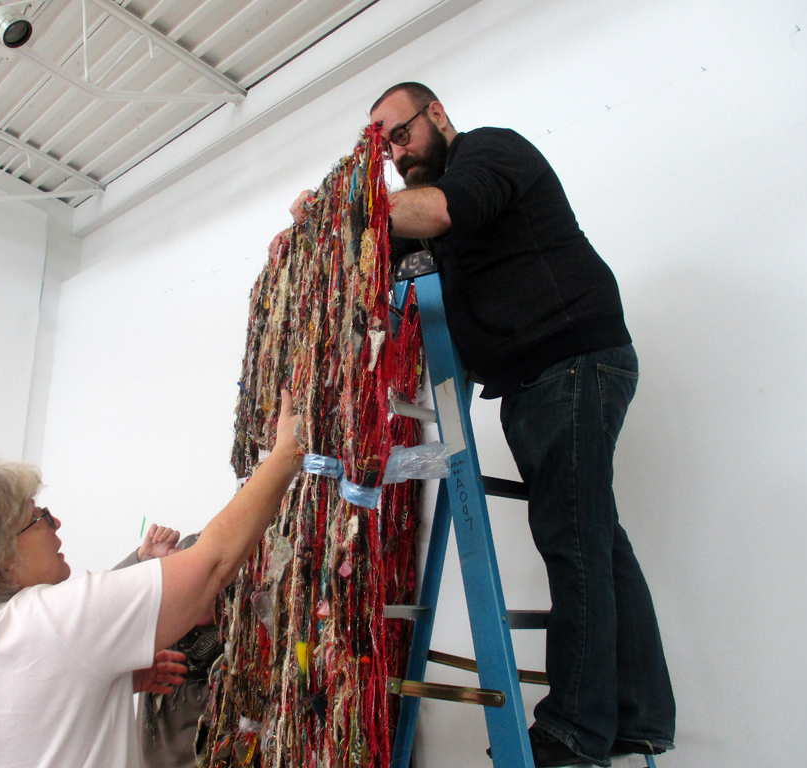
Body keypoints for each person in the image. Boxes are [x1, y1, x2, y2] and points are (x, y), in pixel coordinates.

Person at [287, 84, 675, 767]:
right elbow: (382, 261)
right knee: (594, 537)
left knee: (572, 538)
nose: (396, 154)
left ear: (436, 114)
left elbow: (435, 211)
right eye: (382, 148)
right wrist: (310, 239)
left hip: (570, 361)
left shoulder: (489, 153)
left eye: (399, 134)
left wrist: (341, 208)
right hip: (543, 376)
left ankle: (575, 730)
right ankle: (638, 715)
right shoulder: (430, 214)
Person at [0, 392, 302, 768]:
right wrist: (285, 455)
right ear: (0, 563)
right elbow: (212, 565)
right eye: (37, 517)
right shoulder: (42, 627)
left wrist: (103, 683)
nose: (54, 523)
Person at [117, 527, 221, 768]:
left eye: (206, 578)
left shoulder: (240, 641)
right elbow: (98, 613)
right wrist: (142, 559)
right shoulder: (154, 634)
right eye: (186, 579)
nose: (196, 590)